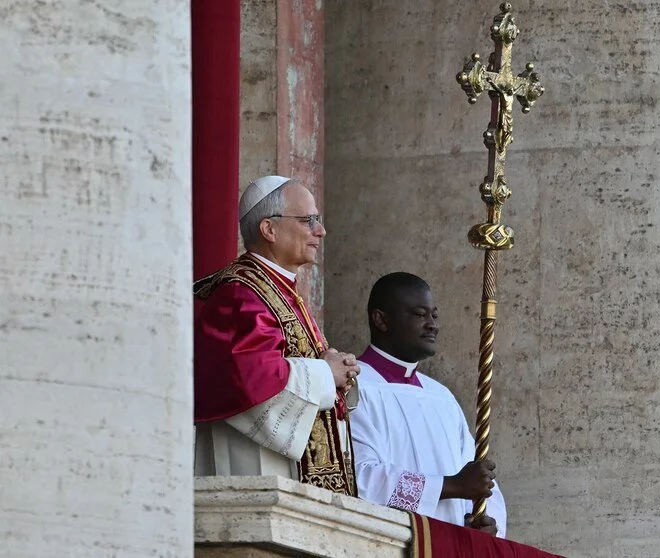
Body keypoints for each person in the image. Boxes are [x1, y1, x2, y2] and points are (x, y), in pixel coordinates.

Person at [193, 175, 361, 495]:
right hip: (255, 476)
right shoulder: (241, 294)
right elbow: (247, 376)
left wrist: (339, 370)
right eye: (308, 220)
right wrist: (326, 374)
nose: (320, 230)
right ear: (269, 229)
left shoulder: (281, 290)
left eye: (318, 220)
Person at [349, 272, 507, 537]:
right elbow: (359, 479)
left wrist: (487, 519)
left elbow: (477, 476)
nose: (432, 324)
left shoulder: (441, 397)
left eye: (434, 315)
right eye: (419, 314)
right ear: (381, 320)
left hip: (452, 545)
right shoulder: (353, 386)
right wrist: (451, 486)